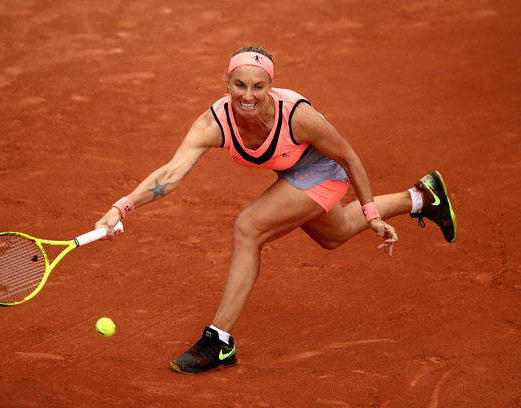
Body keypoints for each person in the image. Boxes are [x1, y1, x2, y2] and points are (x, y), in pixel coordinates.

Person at [95, 46, 457, 374]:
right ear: (227, 83)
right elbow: (171, 174)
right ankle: (423, 197)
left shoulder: (298, 116)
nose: (247, 96)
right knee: (337, 234)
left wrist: (371, 212)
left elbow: (348, 157)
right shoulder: (214, 122)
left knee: (248, 227)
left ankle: (219, 340)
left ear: (270, 86)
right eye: (239, 85)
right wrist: (121, 206)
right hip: (293, 171)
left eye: (257, 87)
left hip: (325, 171)